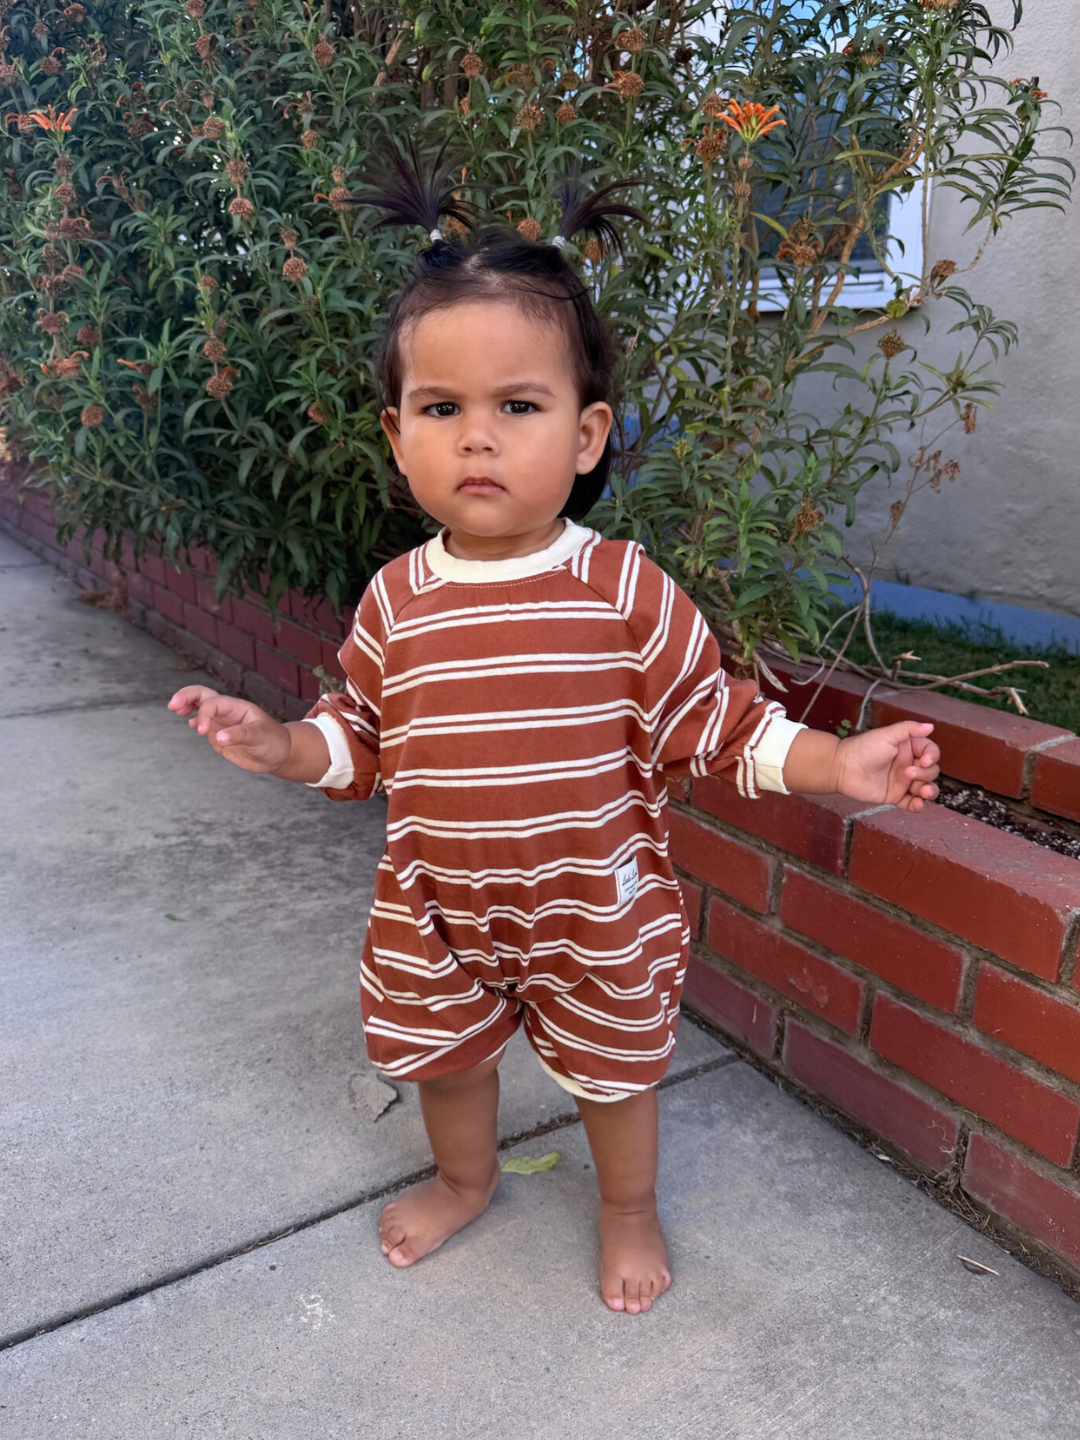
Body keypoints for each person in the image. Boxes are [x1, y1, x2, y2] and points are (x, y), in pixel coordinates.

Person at [169, 152, 941, 1316]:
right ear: (397, 436)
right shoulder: (396, 599)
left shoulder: (623, 589)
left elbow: (714, 723)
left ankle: (626, 1205)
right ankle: (464, 1179)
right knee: (448, 1060)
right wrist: (282, 744)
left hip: (594, 898)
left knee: (617, 1075)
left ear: (585, 438)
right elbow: (360, 734)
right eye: (443, 409)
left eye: (516, 406)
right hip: (439, 899)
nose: (477, 438)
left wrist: (841, 763)